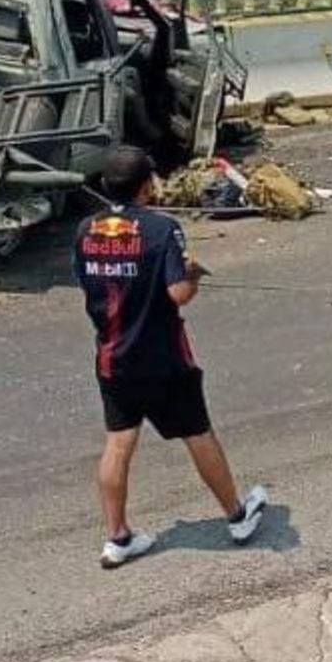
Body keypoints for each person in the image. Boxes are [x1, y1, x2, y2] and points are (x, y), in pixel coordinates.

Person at [74, 146, 268, 569]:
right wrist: (193, 273)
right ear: (146, 185)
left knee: (118, 443)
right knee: (198, 432)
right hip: (162, 357)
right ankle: (237, 515)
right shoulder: (163, 230)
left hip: (113, 357)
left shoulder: (86, 230)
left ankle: (118, 537)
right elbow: (177, 294)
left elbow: (91, 281)